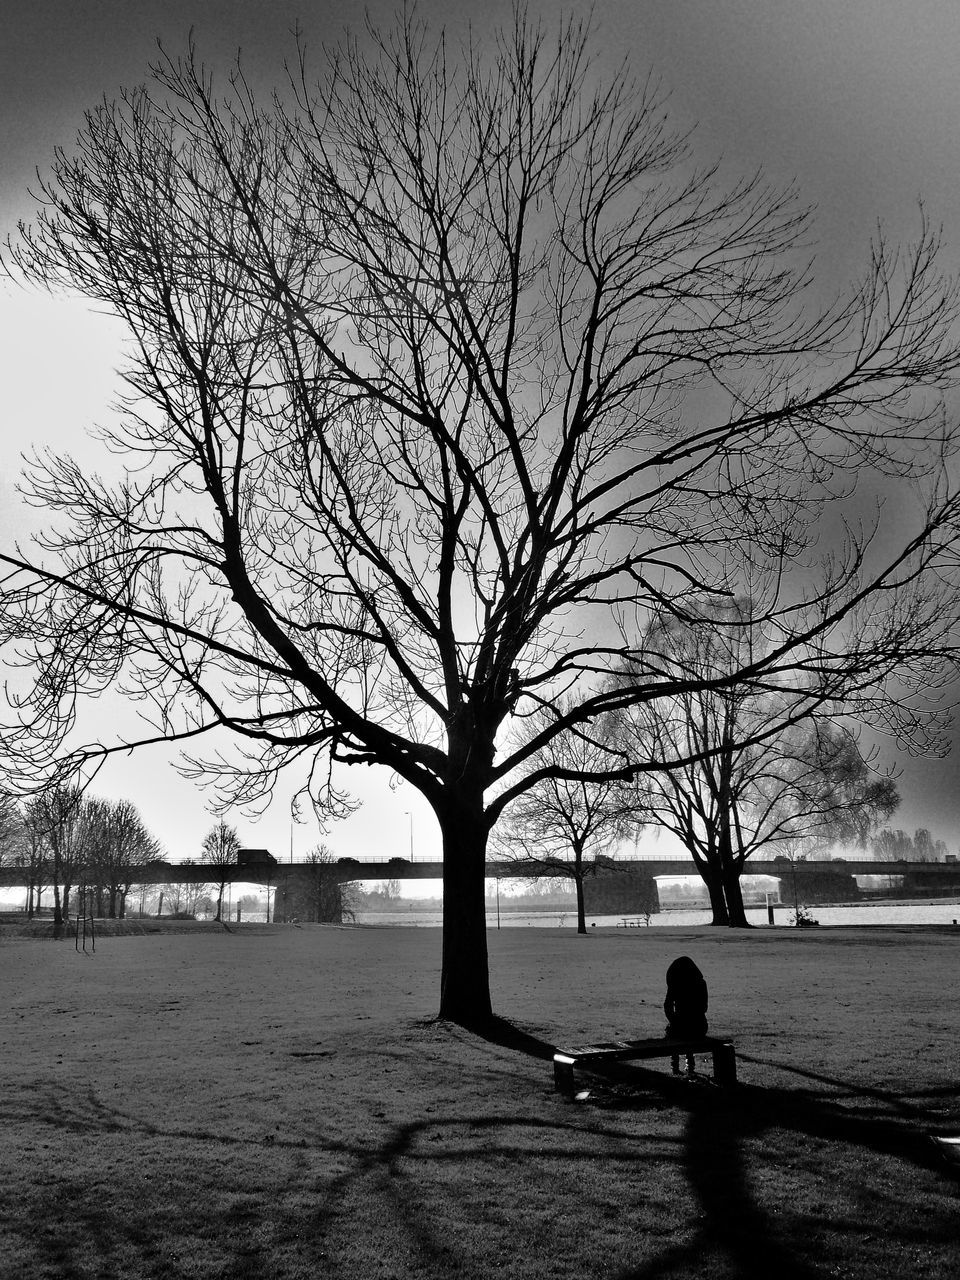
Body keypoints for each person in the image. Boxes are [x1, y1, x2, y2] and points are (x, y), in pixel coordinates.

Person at [663, 955, 708, 1075]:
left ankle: (675, 1065)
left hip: (681, 1025)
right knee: (687, 1032)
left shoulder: (676, 985)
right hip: (699, 1026)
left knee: (674, 1033)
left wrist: (674, 1020)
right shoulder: (701, 984)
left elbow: (667, 1006)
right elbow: (704, 1007)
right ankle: (690, 1064)